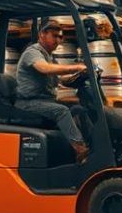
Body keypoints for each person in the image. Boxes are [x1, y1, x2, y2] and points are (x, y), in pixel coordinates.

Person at [14, 19, 92, 162]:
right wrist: (77, 67)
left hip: (43, 102)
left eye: (60, 37)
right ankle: (80, 149)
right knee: (61, 111)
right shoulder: (32, 52)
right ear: (42, 34)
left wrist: (80, 77)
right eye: (54, 36)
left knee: (79, 110)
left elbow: (61, 78)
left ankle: (89, 145)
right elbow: (45, 68)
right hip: (28, 103)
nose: (58, 40)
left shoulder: (49, 56)